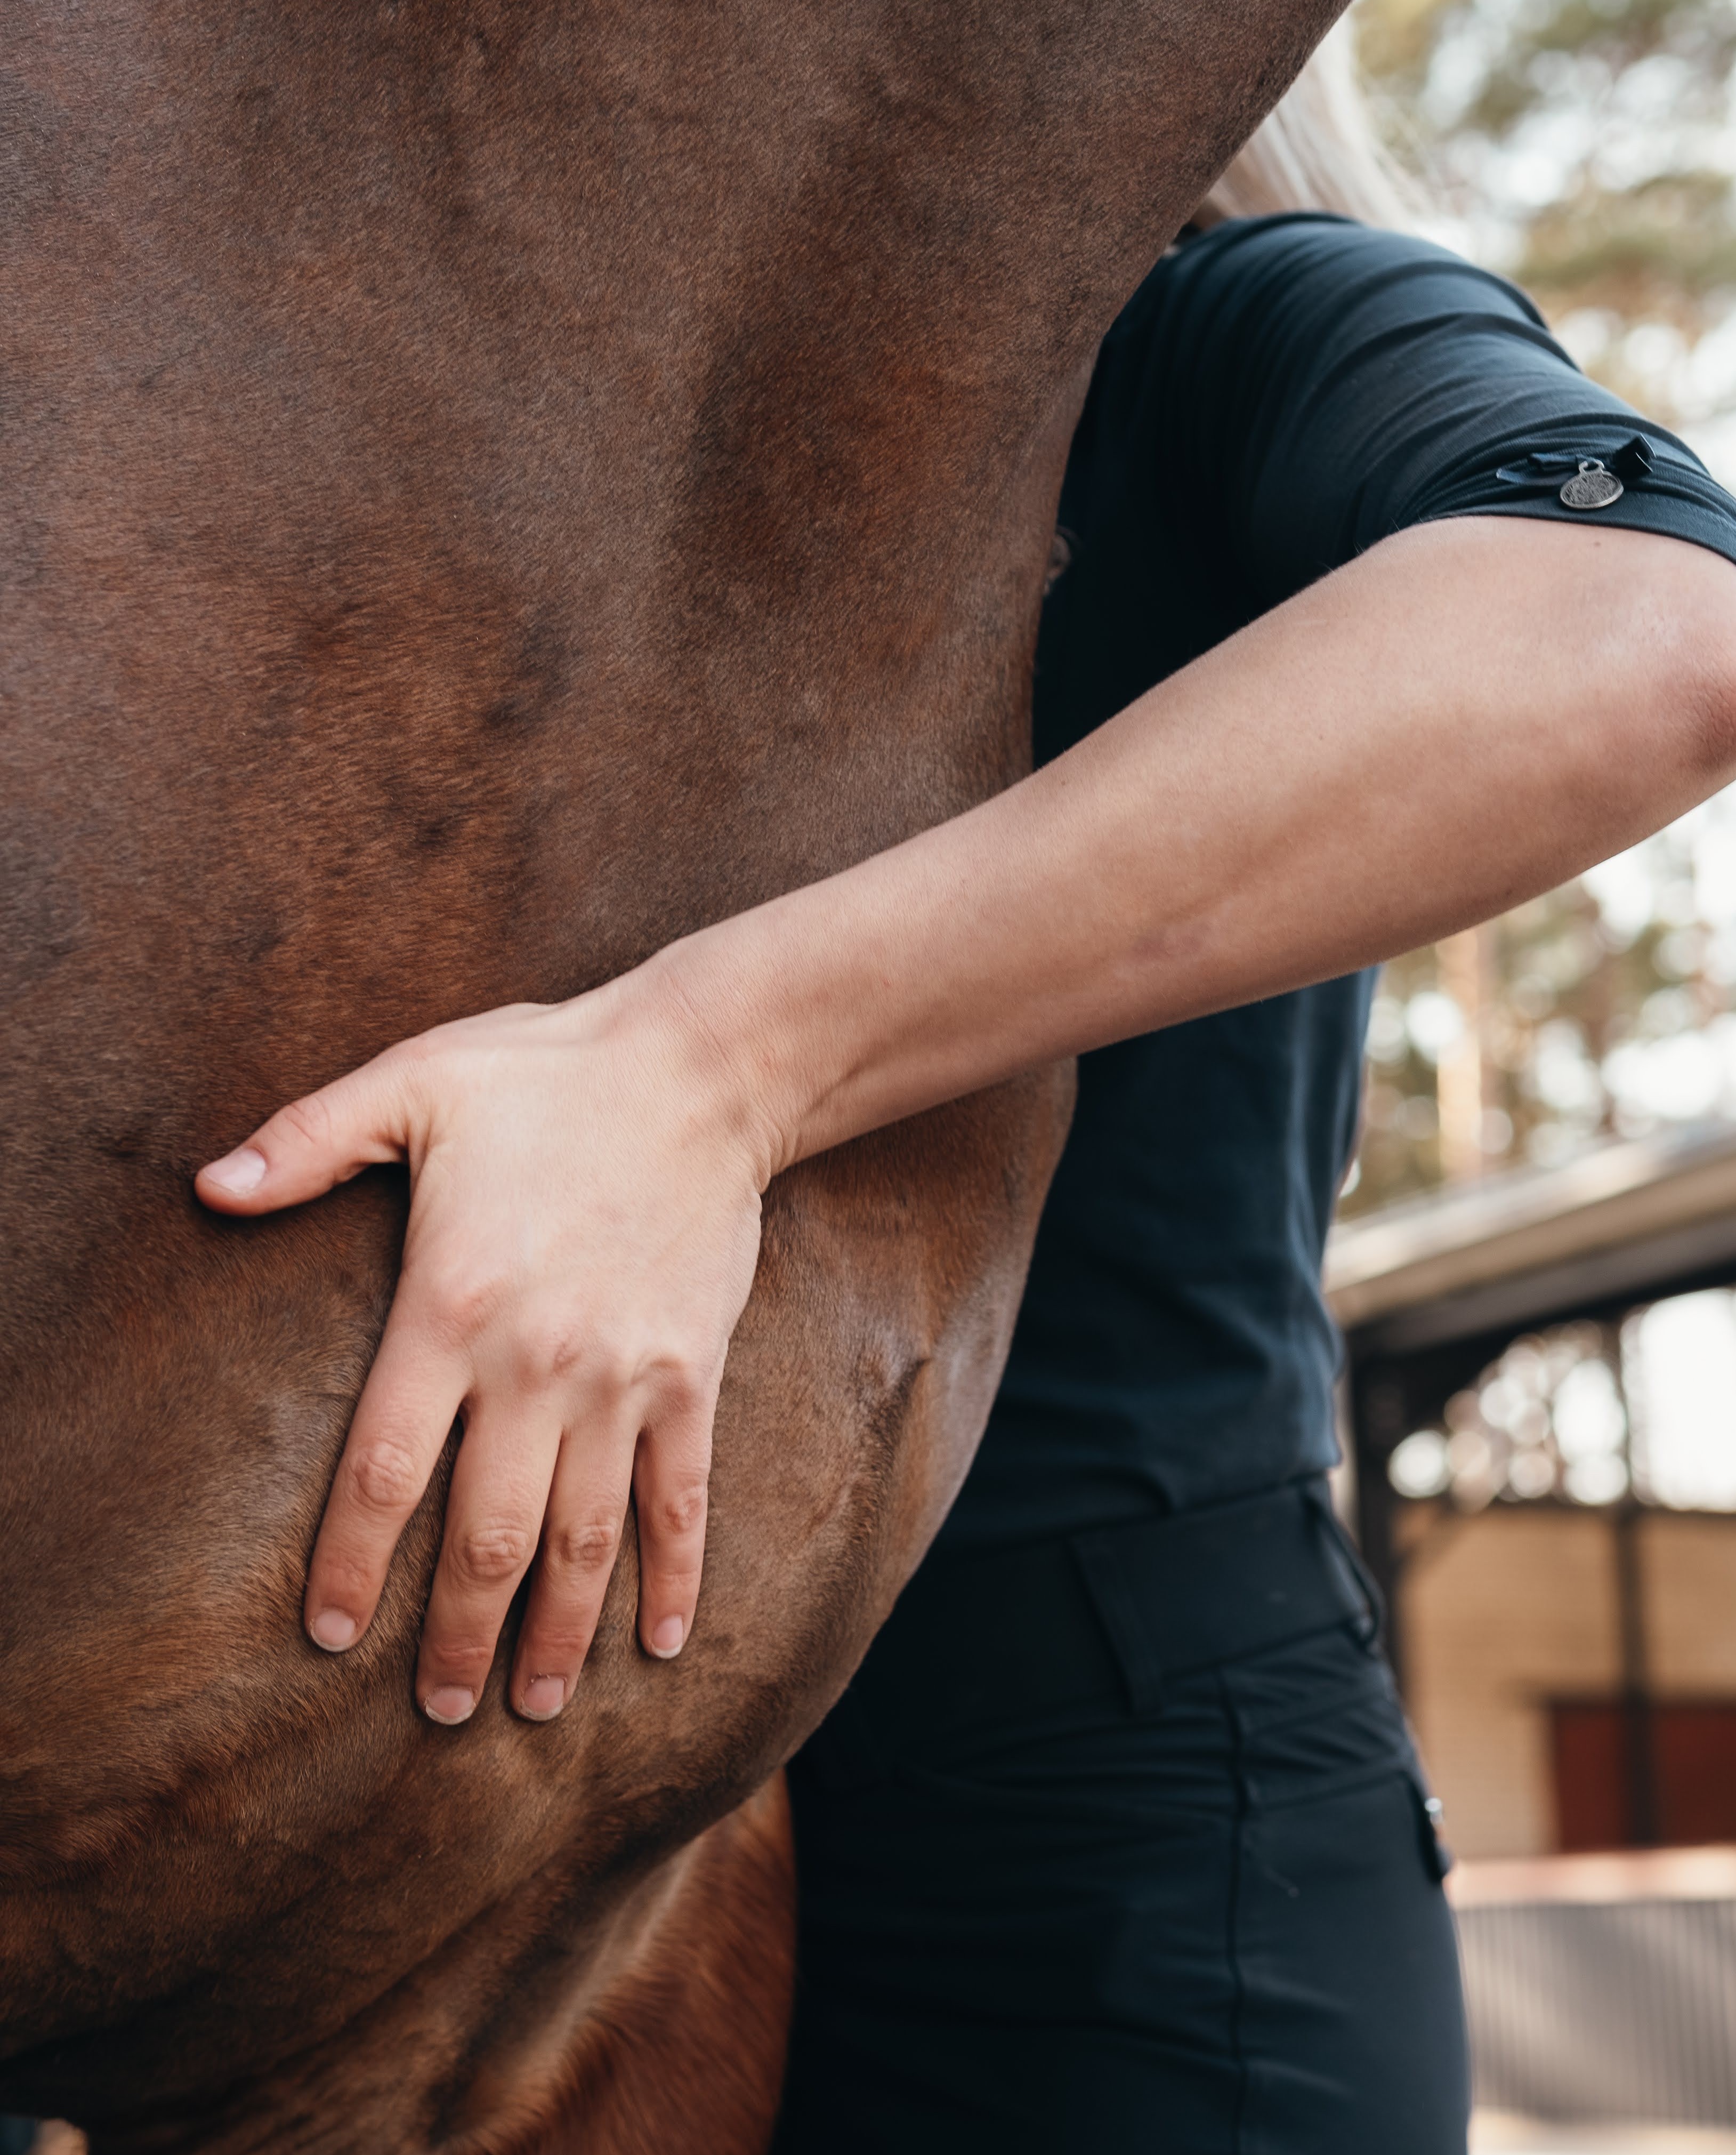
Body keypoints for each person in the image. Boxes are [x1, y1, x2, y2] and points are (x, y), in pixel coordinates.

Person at [193, 34, 1736, 2152]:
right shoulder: (591, 481)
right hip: (538, 1825)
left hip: (1101, 1830)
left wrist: (703, 1067)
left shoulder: (1233, 314)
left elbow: (1631, 622)